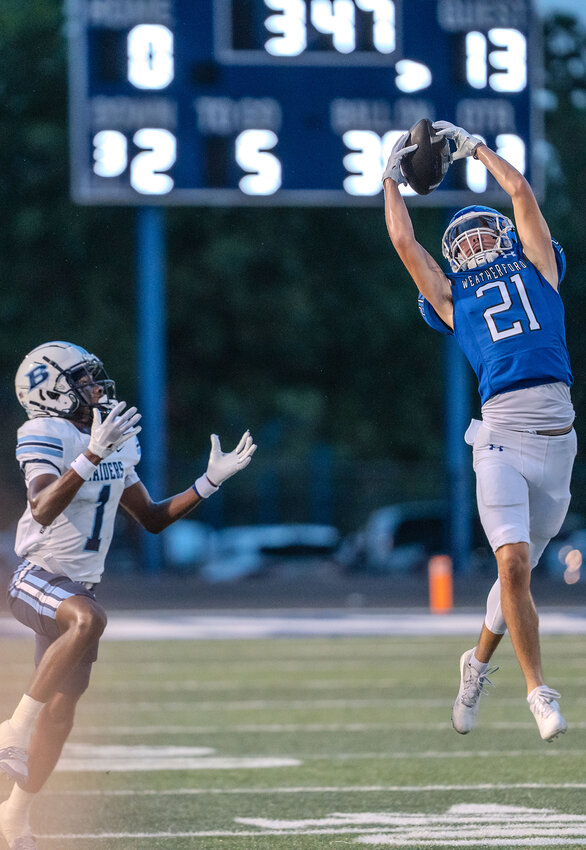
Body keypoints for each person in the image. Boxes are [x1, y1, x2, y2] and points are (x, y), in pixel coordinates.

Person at [0, 340, 257, 849]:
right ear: (50, 392)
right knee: (88, 620)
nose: (96, 389)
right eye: (84, 381)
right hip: (36, 574)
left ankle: (13, 819)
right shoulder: (43, 433)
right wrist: (91, 453)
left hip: (80, 586)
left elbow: (153, 519)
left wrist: (209, 482)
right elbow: (43, 508)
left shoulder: (110, 438)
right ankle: (11, 730)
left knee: (62, 714)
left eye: (95, 378)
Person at [382, 121, 577, 742]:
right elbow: (405, 243)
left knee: (512, 580)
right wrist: (390, 178)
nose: (472, 244)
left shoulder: (540, 267)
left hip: (558, 437)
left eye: (480, 232)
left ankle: (476, 665)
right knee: (513, 565)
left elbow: (520, 192)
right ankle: (538, 692)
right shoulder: (451, 299)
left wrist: (478, 150)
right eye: (460, 241)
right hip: (498, 436)